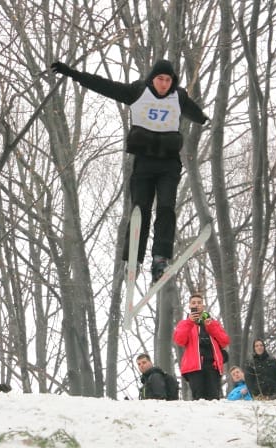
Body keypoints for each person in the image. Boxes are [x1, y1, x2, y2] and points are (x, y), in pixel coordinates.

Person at [50, 59, 210, 283]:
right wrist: (71, 73)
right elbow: (104, 85)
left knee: (166, 208)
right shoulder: (137, 92)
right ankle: (133, 259)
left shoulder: (179, 97)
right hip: (144, 162)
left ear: (172, 81)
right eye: (159, 79)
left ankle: (161, 259)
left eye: (168, 80)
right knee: (140, 210)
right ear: (152, 79)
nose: (164, 84)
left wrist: (204, 119)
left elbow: (196, 113)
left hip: (168, 164)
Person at [173, 293, 230, 400]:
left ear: (203, 306)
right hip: (194, 366)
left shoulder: (213, 322)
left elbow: (225, 341)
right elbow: (179, 340)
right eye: (193, 303)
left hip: (212, 365)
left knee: (214, 397)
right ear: (189, 306)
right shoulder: (184, 323)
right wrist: (190, 322)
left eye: (199, 303)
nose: (197, 305)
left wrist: (210, 325)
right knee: (198, 398)